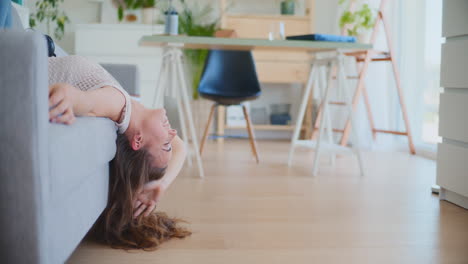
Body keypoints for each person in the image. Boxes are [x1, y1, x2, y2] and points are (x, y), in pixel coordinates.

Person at [48, 55, 191, 249]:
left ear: (138, 140)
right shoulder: (130, 113)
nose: (173, 133)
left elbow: (87, 102)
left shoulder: (118, 105)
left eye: (166, 144)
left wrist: (69, 97)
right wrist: (161, 184)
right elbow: (181, 147)